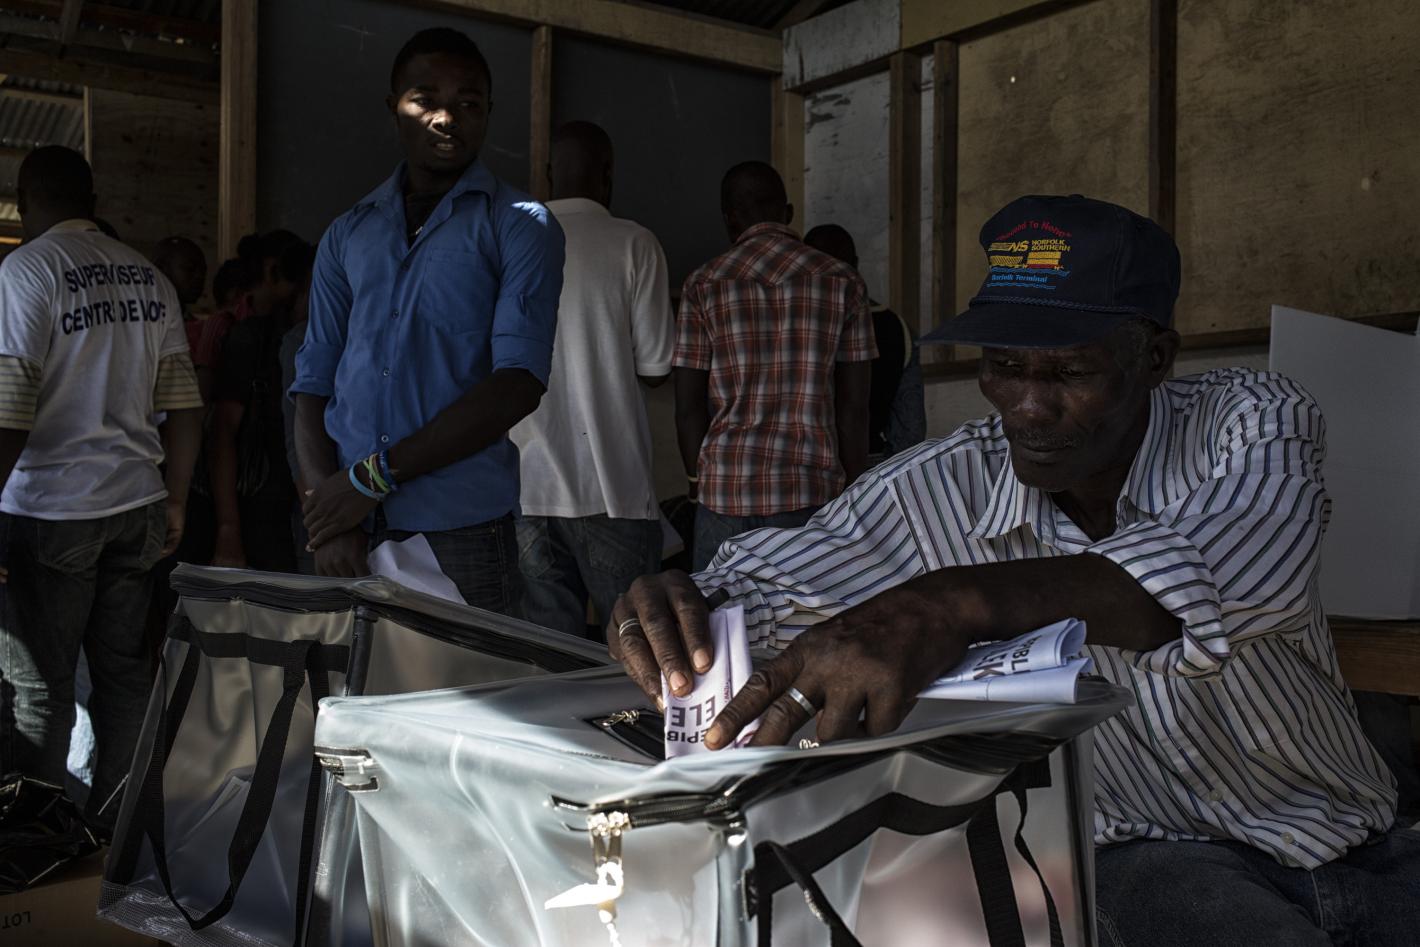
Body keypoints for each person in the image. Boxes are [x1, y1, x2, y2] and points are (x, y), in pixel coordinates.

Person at [609, 194, 1420, 946]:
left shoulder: (1252, 418)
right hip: (1152, 859)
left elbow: (1239, 572)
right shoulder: (944, 485)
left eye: (1069, 373)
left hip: (1360, 837)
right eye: (1005, 365)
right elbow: (764, 586)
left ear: (1155, 357)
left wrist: (949, 604)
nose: (1027, 407)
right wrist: (678, 606)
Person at [293, 27, 564, 613]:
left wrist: (370, 480)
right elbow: (313, 383)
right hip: (346, 530)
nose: (447, 117)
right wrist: (327, 514)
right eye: (425, 100)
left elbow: (518, 381)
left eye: (469, 103)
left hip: (461, 531)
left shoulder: (520, 224)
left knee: (464, 675)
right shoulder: (348, 232)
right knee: (351, 674)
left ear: (488, 113)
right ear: (394, 107)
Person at [0, 146, 203, 829]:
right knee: (124, 673)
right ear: (92, 199)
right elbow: (185, 403)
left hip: (52, 511)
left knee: (39, 686)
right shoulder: (150, 277)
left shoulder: (27, 270)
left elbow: (10, 411)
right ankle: (116, 834)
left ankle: (37, 844)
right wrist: (176, 496)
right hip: (136, 504)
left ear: (24, 203)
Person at [510, 121, 672, 639]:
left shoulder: (509, 244)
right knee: (639, 649)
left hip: (526, 487)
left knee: (549, 653)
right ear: (608, 175)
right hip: (614, 486)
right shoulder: (635, 243)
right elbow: (656, 368)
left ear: (548, 174)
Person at [675, 162, 875, 571]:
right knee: (807, 610)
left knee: (719, 611)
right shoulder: (843, 281)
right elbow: (854, 408)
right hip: (809, 493)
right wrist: (853, 494)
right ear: (787, 212)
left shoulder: (703, 285)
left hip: (725, 492)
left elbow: (688, 407)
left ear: (730, 220)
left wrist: (698, 483)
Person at [209, 236, 314, 573]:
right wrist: (228, 527)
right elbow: (223, 433)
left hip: (304, 513)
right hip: (260, 510)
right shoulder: (255, 338)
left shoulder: (336, 342)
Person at [803, 223, 926, 460]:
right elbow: (909, 432)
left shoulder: (793, 324)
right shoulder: (897, 326)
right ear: (856, 265)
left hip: (810, 464)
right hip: (873, 463)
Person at [152, 236, 207, 356]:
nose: (200, 277)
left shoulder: (200, 329)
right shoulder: (147, 324)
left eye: (203, 271)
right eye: (190, 269)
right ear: (160, 269)